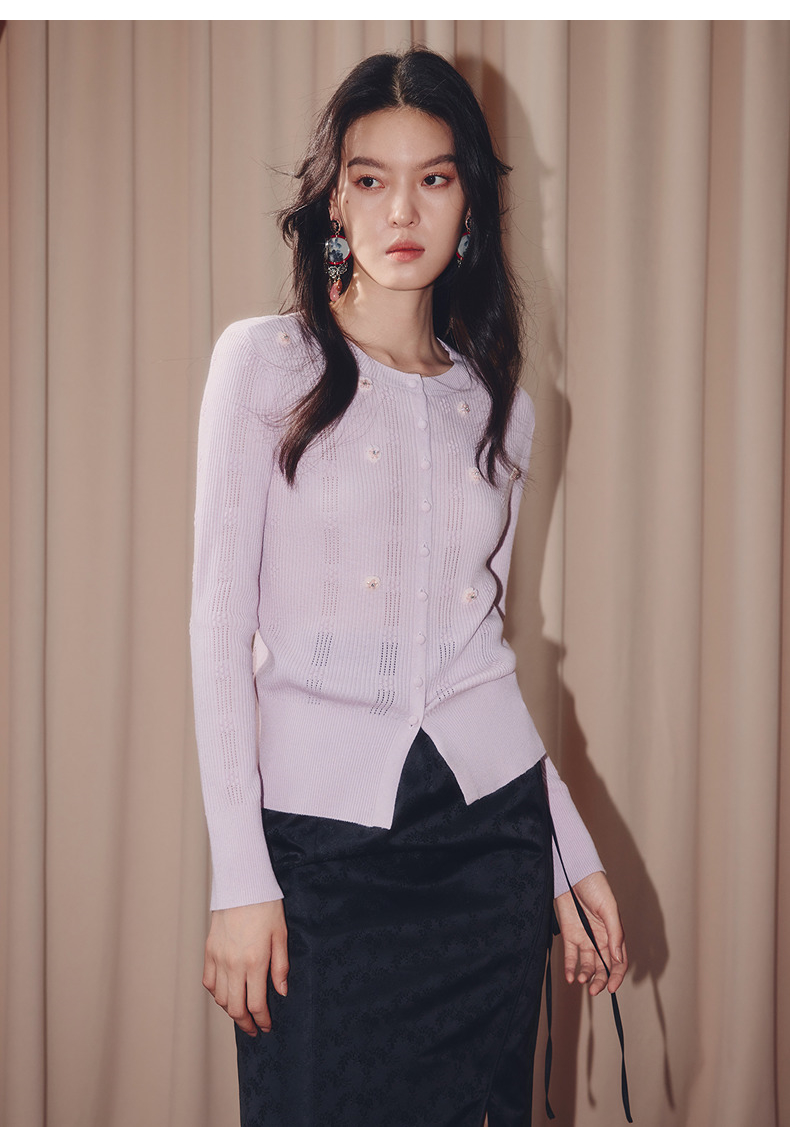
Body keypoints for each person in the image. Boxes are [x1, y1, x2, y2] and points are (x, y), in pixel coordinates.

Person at [190, 46, 627, 1127]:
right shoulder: (264, 366)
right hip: (318, 855)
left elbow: (481, 657)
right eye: (371, 177)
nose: (402, 209)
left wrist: (570, 856)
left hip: (488, 850)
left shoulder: (504, 409)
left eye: (434, 177)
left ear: (469, 201)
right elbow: (216, 629)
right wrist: (240, 877)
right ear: (334, 199)